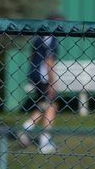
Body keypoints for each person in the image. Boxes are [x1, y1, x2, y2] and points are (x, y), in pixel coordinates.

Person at [17, 14, 62, 154]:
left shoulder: (39, 36)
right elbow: (49, 62)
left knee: (44, 105)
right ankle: (44, 142)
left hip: (34, 74)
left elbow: (32, 56)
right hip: (43, 77)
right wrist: (52, 83)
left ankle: (25, 128)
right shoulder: (51, 38)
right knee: (51, 106)